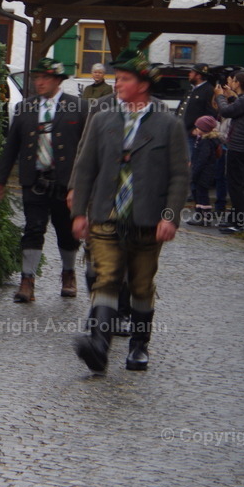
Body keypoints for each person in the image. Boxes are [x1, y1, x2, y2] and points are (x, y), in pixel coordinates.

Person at [70, 49, 189, 373]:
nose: (117, 84)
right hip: (106, 215)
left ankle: (139, 346)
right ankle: (98, 345)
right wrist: (80, 212)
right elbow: (85, 168)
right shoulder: (103, 119)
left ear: (143, 85)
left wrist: (170, 217)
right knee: (106, 278)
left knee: (140, 286)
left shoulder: (168, 125)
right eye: (117, 78)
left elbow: (180, 175)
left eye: (124, 79)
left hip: (148, 220)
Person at [0, 58, 88, 302]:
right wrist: (0, 180)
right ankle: (27, 281)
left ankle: (68, 274)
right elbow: (11, 146)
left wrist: (83, 185)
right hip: (33, 180)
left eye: (45, 78)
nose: (39, 82)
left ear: (58, 81)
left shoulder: (78, 107)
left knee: (66, 232)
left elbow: (88, 150)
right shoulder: (25, 107)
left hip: (66, 184)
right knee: (33, 229)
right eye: (36, 78)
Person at [214, 69, 244, 234]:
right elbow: (242, 108)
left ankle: (239, 222)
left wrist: (220, 96)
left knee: (236, 185)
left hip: (239, 147)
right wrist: (231, 96)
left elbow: (227, 111)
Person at [186, 115, 225, 227]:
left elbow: (202, 159)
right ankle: (200, 215)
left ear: (203, 130)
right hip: (202, 171)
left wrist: (194, 171)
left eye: (197, 127)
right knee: (197, 193)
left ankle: (205, 217)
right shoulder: (202, 139)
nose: (195, 129)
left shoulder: (206, 142)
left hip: (203, 173)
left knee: (202, 194)